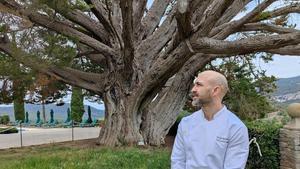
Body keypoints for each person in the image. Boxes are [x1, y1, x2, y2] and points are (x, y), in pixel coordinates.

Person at [171, 70, 249, 169]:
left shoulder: (236, 128)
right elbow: (177, 160)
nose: (193, 89)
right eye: (194, 85)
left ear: (215, 90)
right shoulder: (186, 123)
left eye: (199, 85)